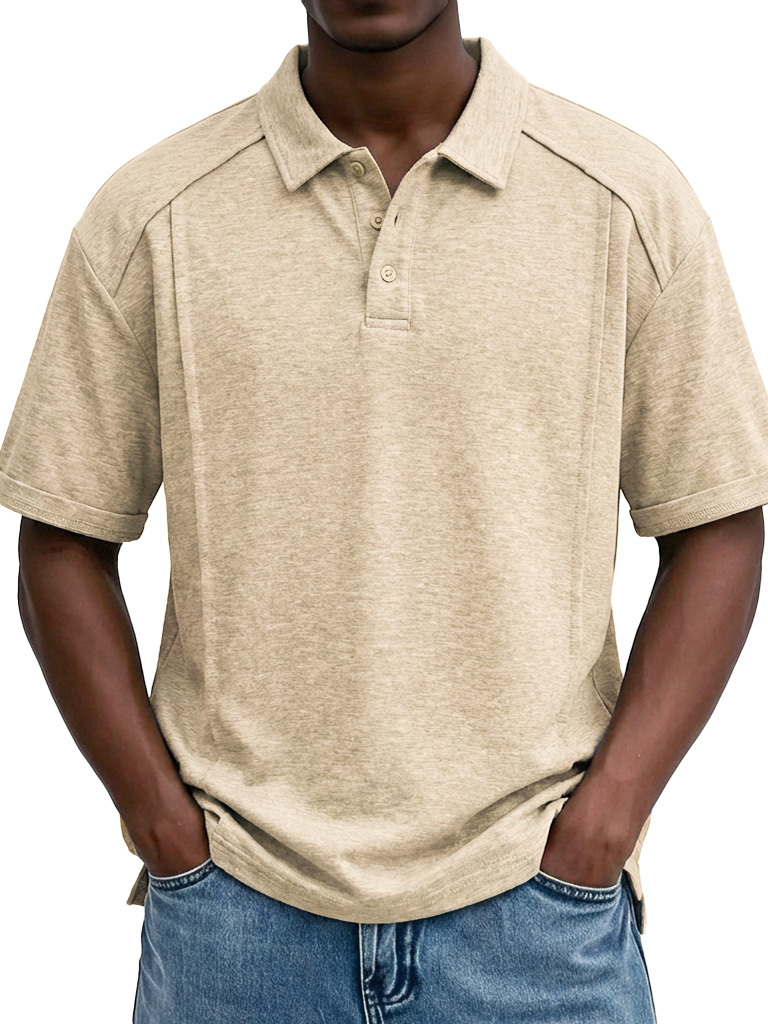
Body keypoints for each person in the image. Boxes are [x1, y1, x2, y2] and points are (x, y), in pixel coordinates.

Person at [1, 1, 766, 1021]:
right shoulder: (155, 211)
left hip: (538, 922)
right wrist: (160, 823)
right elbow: (63, 533)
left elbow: (715, 519)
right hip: (236, 921)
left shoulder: (625, 199)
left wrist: (607, 820)